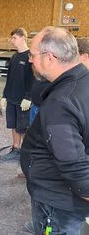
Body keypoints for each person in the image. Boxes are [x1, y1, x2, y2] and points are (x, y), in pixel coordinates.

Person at [21, 27, 89, 234]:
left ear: (49, 58)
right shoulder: (82, 81)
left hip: (57, 203)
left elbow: (74, 166)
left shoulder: (60, 103)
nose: (30, 60)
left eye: (32, 55)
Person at [0, 27, 33, 161]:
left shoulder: (30, 56)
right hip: (12, 98)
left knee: (24, 127)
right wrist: (4, 95)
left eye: (14, 38)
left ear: (23, 38)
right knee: (13, 125)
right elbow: (9, 79)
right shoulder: (14, 57)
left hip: (23, 100)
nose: (11, 40)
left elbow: (33, 79)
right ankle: (16, 148)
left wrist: (28, 97)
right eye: (11, 38)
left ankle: (27, 153)